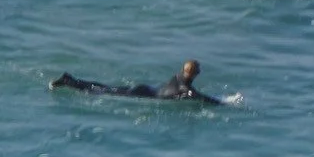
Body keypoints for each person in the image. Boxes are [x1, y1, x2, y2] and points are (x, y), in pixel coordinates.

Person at [50, 59, 221, 105]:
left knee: (106, 88)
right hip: (142, 93)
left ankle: (72, 80)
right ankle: (69, 81)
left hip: (145, 89)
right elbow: (200, 97)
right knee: (102, 91)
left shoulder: (178, 77)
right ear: (195, 73)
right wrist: (224, 103)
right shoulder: (185, 88)